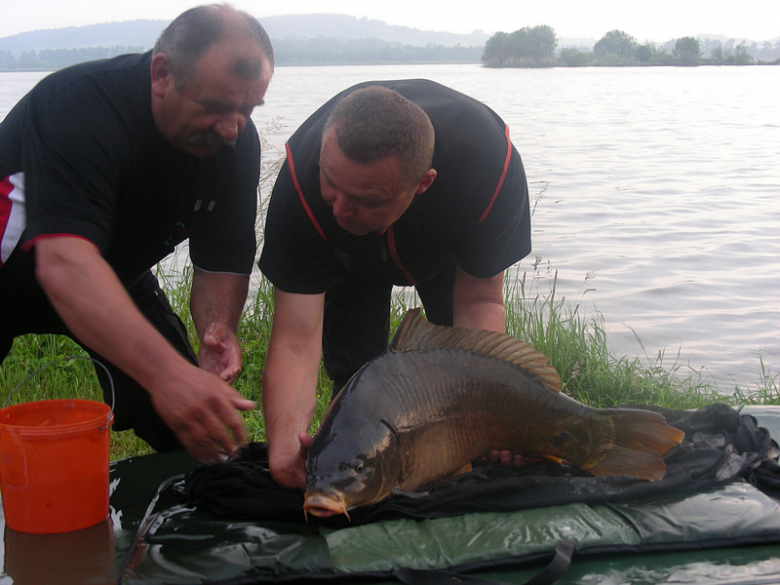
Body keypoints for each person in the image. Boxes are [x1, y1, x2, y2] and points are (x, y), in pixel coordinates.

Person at [0, 4, 274, 463]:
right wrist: (166, 374)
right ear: (162, 74)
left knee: (191, 427)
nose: (232, 128)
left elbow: (221, 262)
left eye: (247, 109)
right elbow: (64, 265)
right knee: (170, 378)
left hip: (112, 272)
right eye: (215, 107)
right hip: (27, 267)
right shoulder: (81, 103)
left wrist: (217, 326)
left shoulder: (236, 143)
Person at [258, 80, 532, 488]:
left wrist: (488, 414)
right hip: (346, 260)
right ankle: (357, 456)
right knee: (356, 372)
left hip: (444, 247)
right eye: (331, 184)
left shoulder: (487, 167)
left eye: (365, 199)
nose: (340, 209)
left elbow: (479, 303)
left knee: (458, 379)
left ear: (422, 183)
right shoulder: (302, 180)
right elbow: (296, 340)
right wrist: (282, 447)